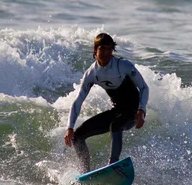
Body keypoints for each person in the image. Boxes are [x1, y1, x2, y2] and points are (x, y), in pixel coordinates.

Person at [63, 33, 149, 173]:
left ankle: (112, 165)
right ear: (95, 50)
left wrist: (141, 110)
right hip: (117, 110)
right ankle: (85, 173)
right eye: (102, 49)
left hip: (133, 111)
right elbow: (78, 101)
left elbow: (144, 87)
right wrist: (69, 128)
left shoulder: (123, 66)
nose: (106, 53)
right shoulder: (91, 73)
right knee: (77, 137)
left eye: (109, 49)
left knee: (115, 125)